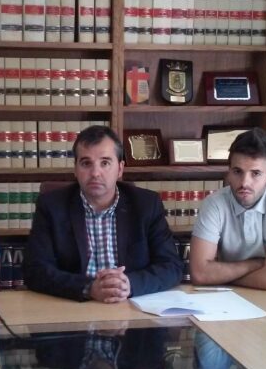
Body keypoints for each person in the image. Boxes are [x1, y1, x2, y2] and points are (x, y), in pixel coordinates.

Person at [189, 127, 266, 369]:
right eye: (237, 171)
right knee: (209, 364)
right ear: (228, 172)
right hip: (228, 303)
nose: (245, 183)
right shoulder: (214, 204)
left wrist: (221, 274)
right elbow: (199, 273)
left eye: (255, 173)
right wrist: (254, 265)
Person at [24, 125, 183, 302]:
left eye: (105, 163)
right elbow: (35, 270)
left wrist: (129, 284)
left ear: (120, 169)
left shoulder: (146, 204)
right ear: (75, 169)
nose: (95, 173)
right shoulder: (52, 206)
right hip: (74, 306)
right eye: (86, 163)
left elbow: (172, 266)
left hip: (129, 305)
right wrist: (89, 288)